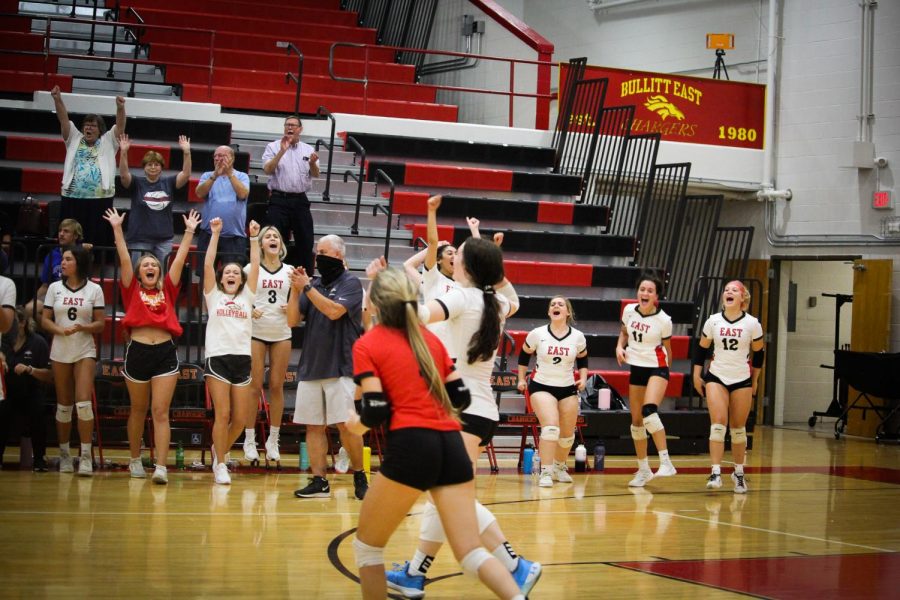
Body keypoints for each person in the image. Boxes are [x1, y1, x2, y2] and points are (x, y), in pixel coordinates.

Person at [345, 267, 525, 600]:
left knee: (367, 549)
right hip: (451, 442)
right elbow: (461, 397)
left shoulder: (368, 344)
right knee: (470, 553)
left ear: (376, 304)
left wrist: (350, 427)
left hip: (412, 445)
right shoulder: (431, 339)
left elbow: (374, 411)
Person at [379, 236, 541, 599]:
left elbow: (418, 315)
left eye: (459, 255)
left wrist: (385, 288)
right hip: (478, 412)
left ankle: (515, 564)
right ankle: (415, 573)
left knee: (451, 497)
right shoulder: (496, 302)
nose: (454, 259)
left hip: (461, 412)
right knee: (443, 495)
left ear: (465, 266)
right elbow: (509, 294)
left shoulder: (463, 297)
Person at [104, 207, 201, 484]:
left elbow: (180, 260)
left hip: (165, 353)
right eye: (145, 265)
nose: (150, 267)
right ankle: (135, 459)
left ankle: (160, 466)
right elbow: (124, 257)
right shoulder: (131, 287)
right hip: (137, 351)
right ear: (138, 272)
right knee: (138, 409)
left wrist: (190, 232)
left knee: (160, 411)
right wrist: (117, 229)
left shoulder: (168, 288)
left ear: (159, 272)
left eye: (154, 266)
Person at [287, 234, 367, 500]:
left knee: (345, 425)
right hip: (311, 365)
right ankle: (319, 480)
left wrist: (307, 288)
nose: (318, 256)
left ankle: (360, 476)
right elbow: (291, 320)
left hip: (341, 365)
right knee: (313, 426)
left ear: (339, 255)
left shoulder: (352, 283)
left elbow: (334, 311)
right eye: (317, 251)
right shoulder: (315, 284)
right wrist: (296, 289)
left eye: (324, 251)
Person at [203, 217, 260, 485]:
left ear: (242, 280)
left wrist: (254, 238)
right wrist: (215, 234)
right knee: (222, 414)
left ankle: (220, 449)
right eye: (227, 272)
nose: (232, 275)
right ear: (221, 277)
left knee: (240, 418)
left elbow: (256, 266)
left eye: (236, 273)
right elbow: (207, 264)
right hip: (217, 358)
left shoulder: (247, 297)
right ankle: (221, 465)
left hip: (242, 360)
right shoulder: (213, 295)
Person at [693, 280, 764, 494]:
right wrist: (697, 374)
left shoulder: (752, 323)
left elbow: (759, 354)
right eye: (726, 290)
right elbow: (701, 349)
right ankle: (715, 472)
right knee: (718, 425)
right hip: (717, 377)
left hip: (742, 378)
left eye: (734, 290)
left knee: (738, 430)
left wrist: (756, 379)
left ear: (743, 298)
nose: (729, 292)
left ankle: (739, 473)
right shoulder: (713, 321)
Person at [41, 245, 105, 476]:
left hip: (84, 349)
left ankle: (85, 456)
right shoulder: (55, 288)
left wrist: (84, 327)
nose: (63, 263)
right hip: (60, 348)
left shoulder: (94, 289)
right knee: (64, 405)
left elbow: (101, 323)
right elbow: (44, 320)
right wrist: (58, 329)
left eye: (68, 259)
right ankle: (65, 454)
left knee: (83, 403)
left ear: (78, 262)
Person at [516, 296, 588, 487]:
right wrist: (521, 378)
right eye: (552, 305)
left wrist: (583, 376)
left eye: (560, 304)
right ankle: (546, 472)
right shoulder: (537, 333)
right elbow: (524, 355)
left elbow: (583, 358)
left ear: (567, 312)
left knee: (567, 435)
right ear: (549, 312)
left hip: (567, 388)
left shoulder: (578, 336)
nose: (556, 306)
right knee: (550, 428)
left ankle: (559, 467)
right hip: (541, 386)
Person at [615, 275, 677, 487]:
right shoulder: (629, 311)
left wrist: (667, 372)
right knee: (636, 422)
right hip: (637, 367)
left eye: (650, 291)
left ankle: (666, 461)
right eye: (642, 289)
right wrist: (619, 346)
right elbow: (624, 332)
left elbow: (668, 350)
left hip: (658, 367)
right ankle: (643, 470)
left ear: (656, 296)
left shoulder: (664, 320)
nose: (645, 293)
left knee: (649, 411)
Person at [242, 225, 293, 467]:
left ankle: (273, 439)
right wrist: (251, 309)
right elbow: (238, 298)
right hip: (256, 333)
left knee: (276, 386)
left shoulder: (291, 271)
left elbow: (300, 306)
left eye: (276, 236)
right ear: (261, 244)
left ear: (280, 244)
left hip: (282, 332)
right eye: (268, 236)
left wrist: (292, 306)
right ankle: (249, 439)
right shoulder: (250, 268)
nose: (272, 239)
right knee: (254, 386)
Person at [50, 85, 125, 248]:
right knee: (70, 240)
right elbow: (63, 119)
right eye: (86, 125)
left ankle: (94, 273)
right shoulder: (73, 139)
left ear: (100, 130)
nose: (88, 127)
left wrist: (120, 108)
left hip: (100, 201)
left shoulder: (108, 142)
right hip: (72, 198)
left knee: (95, 243)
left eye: (93, 125)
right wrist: (57, 99)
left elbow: (120, 127)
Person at [118, 133, 192, 265]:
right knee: (139, 274)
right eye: (149, 164)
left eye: (156, 164)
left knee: (162, 276)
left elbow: (186, 175)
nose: (153, 167)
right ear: (144, 167)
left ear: (161, 167)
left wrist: (186, 152)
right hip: (139, 239)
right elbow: (123, 175)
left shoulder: (169, 182)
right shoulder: (136, 182)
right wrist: (123, 152)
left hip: (164, 240)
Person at [262, 115, 320, 274]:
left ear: (300, 129)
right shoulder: (273, 146)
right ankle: (273, 274)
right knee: (275, 240)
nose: (290, 128)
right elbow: (267, 170)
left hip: (300, 200)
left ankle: (305, 279)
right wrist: (282, 151)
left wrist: (312, 163)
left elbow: (316, 174)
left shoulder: (308, 149)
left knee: (306, 241)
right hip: (279, 199)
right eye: (287, 125)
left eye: (294, 125)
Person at [0, 307, 53, 471]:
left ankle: (39, 460)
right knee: (2, 410)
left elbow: (49, 375)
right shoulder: (2, 342)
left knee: (38, 411)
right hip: (6, 391)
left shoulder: (38, 342)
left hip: (30, 390)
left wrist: (30, 369)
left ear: (22, 323)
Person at [25, 219, 91, 325]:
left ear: (75, 236)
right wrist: (33, 300)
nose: (61, 234)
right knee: (29, 309)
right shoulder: (52, 254)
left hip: (75, 292)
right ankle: (53, 333)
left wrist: (84, 250)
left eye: (66, 231)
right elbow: (45, 285)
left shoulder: (82, 253)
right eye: (60, 230)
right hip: (54, 292)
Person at [195, 145, 250, 258]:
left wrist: (230, 173)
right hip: (208, 234)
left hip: (234, 237)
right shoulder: (207, 175)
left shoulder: (242, 176)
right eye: (215, 156)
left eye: (221, 156)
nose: (217, 159)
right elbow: (200, 193)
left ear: (232, 158)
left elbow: (243, 194)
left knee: (233, 274)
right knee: (205, 274)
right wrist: (214, 175)